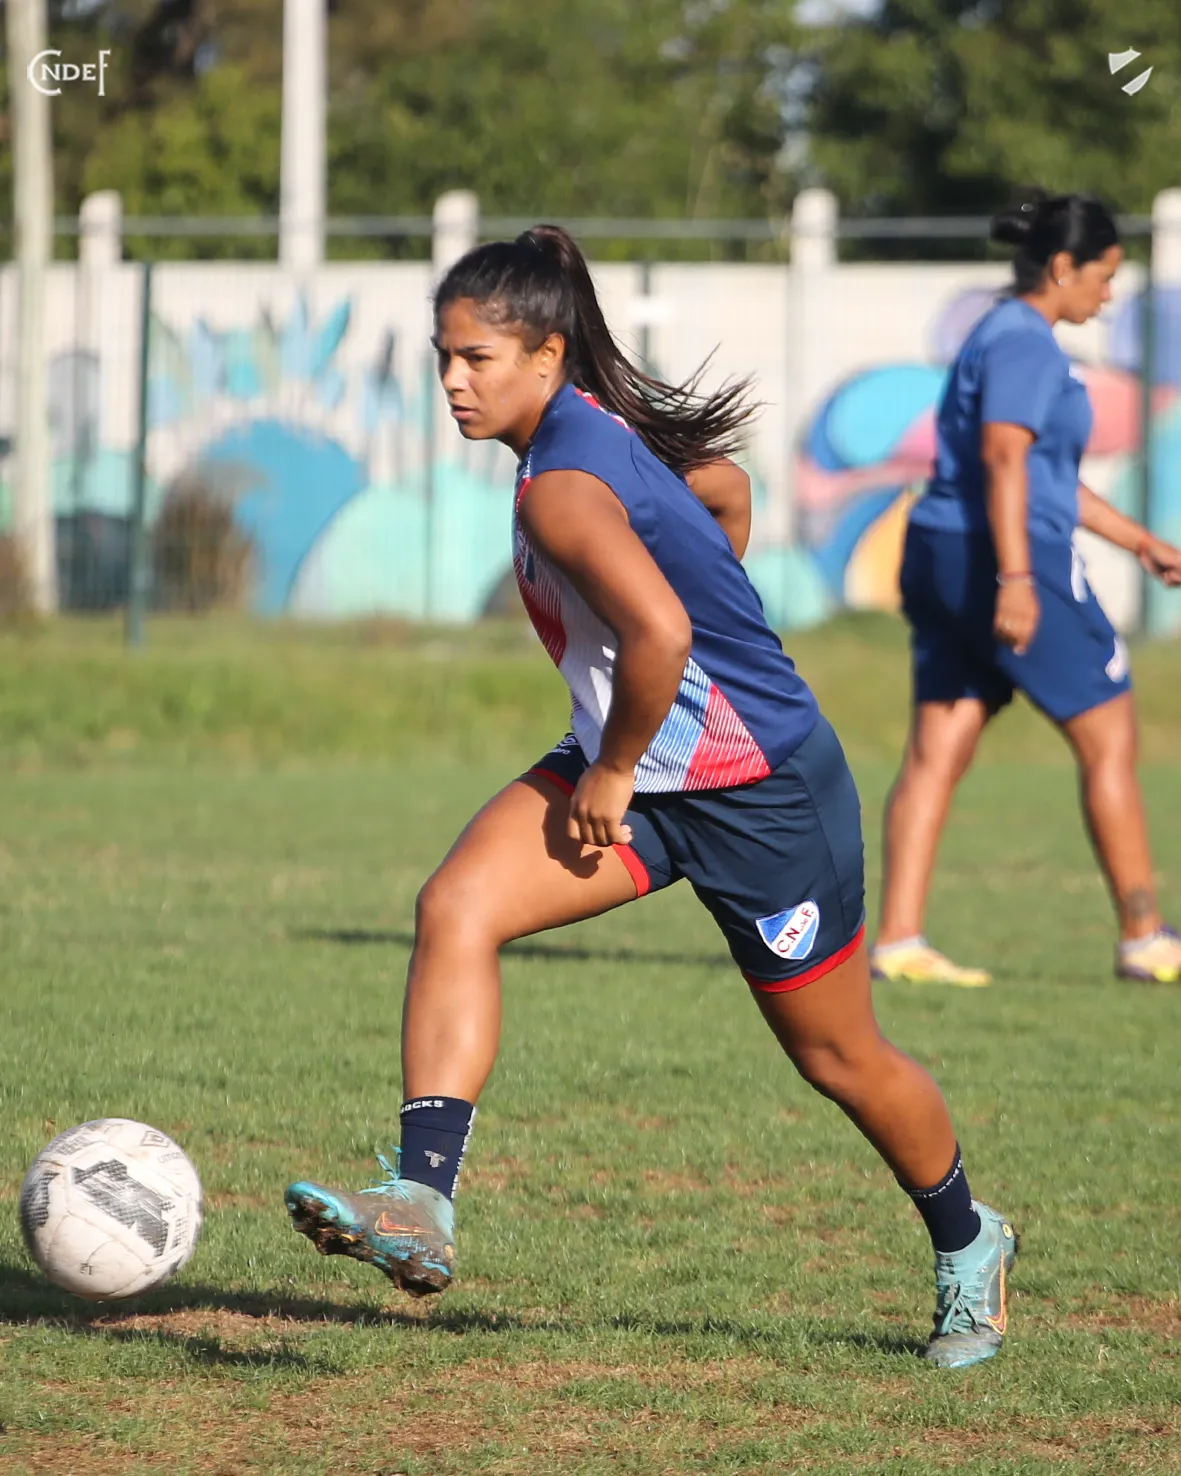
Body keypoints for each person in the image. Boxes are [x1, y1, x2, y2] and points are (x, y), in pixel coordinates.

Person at [284, 225, 1016, 1368]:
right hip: (633, 768)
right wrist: (650, 704)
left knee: (838, 1059)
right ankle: (419, 1203)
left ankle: (969, 1241)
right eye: (442, 357)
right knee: (456, 908)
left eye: (475, 358)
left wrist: (623, 759)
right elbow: (722, 492)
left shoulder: (562, 484)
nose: (452, 382)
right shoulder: (580, 434)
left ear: (546, 355)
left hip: (759, 793)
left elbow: (662, 631)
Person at [871, 191, 1181, 990]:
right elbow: (1005, 460)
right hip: (1002, 557)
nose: (1107, 295)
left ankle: (897, 941)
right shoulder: (1024, 343)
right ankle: (1144, 937)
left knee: (938, 745)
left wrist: (1138, 541)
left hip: (941, 550)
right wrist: (1015, 579)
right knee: (1107, 734)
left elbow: (1045, 477)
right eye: (1102, 276)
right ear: (1062, 266)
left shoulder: (998, 332)